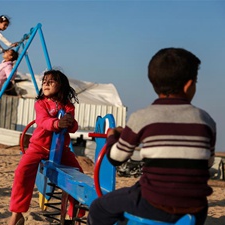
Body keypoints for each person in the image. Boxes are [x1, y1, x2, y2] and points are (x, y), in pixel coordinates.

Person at [87, 48, 216, 225]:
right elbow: (208, 163)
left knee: (99, 208)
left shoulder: (142, 117)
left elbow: (116, 158)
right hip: (196, 209)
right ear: (189, 86)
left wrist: (112, 137)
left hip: (152, 204)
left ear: (153, 82)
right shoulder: (206, 121)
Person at [8, 70, 85, 225]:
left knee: (78, 176)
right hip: (38, 147)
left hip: (60, 150)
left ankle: (76, 214)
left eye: (51, 81)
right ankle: (17, 213)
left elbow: (73, 127)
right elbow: (42, 121)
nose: (46, 84)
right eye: (44, 81)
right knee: (22, 172)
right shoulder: (41, 103)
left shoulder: (68, 106)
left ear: (61, 85)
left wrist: (71, 122)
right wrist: (57, 123)